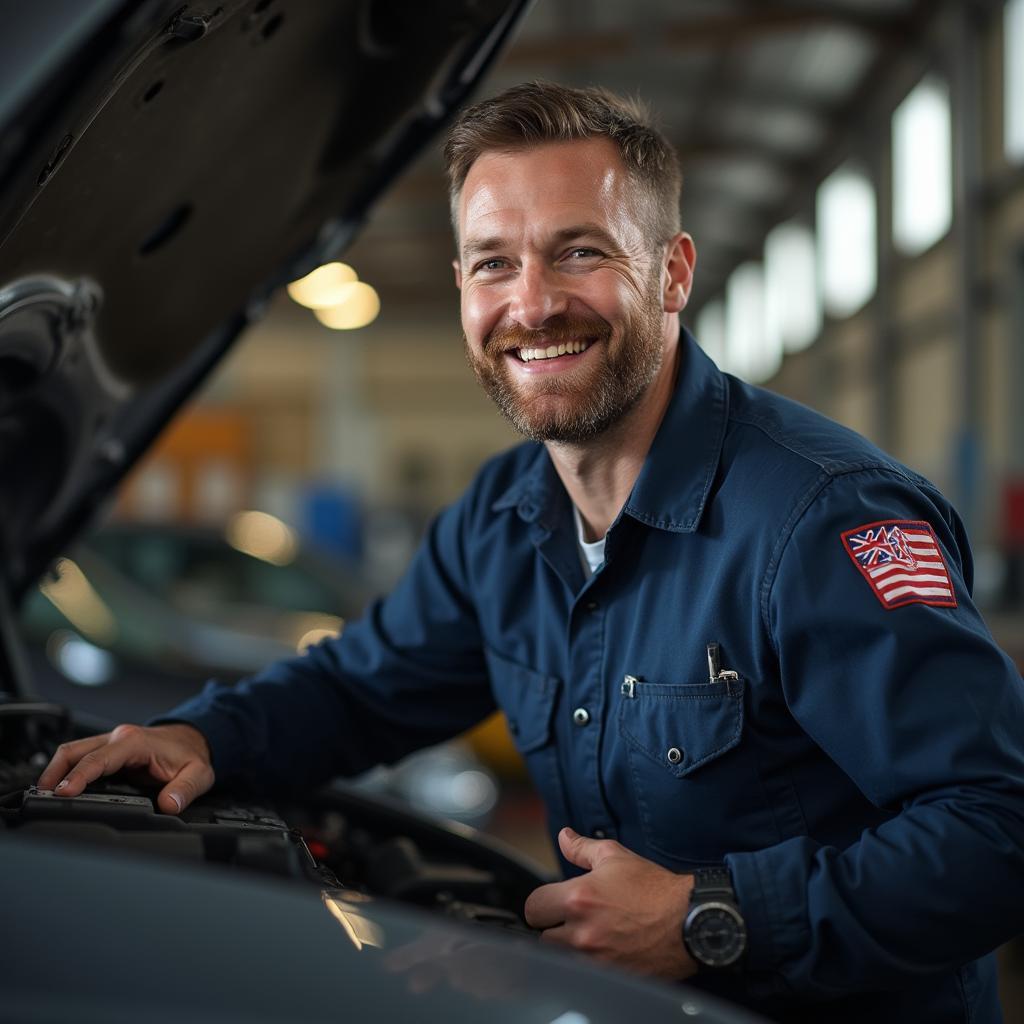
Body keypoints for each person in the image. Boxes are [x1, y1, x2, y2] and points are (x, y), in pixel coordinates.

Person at [39, 82, 1024, 1023]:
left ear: (673, 271)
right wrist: (205, 737)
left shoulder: (819, 519)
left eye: (577, 251)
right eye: (492, 262)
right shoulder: (501, 518)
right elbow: (360, 688)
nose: (533, 303)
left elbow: (996, 827)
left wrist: (706, 916)